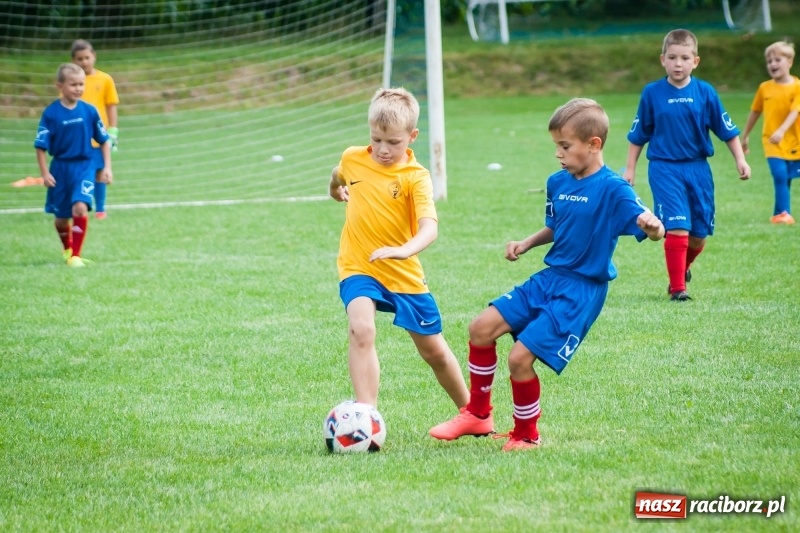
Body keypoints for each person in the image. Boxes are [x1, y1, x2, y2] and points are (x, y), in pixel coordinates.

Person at [429, 98, 666, 452]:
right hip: (549, 277)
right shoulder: (558, 182)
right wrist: (527, 243)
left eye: (564, 146)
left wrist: (654, 227)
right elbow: (556, 227)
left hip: (581, 290)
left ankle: (527, 434)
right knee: (480, 328)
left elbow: (649, 226)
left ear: (594, 144)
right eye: (556, 145)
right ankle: (478, 415)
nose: (558, 153)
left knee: (519, 359)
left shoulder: (614, 188)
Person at [328, 87, 469, 412]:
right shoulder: (353, 158)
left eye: (393, 142)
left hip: (403, 272)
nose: (383, 149)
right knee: (361, 328)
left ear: (412, 136)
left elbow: (429, 227)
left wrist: (406, 250)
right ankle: (366, 416)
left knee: (433, 352)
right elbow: (338, 174)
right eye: (376, 139)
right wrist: (335, 190)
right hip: (359, 266)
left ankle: (472, 413)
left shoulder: (415, 177)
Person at [622, 29, 751, 302]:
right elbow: (638, 135)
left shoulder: (705, 93)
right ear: (662, 60)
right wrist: (630, 168)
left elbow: (726, 130)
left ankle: (684, 268)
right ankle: (678, 288)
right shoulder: (652, 93)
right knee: (678, 226)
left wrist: (740, 159)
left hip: (698, 169)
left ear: (696, 61)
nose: (678, 63)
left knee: (699, 236)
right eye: (672, 57)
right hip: (664, 168)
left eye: (684, 57)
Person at [35, 63, 113, 268]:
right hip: (60, 168)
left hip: (85, 166)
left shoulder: (89, 111)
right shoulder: (51, 114)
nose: (78, 88)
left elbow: (104, 140)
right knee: (61, 218)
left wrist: (106, 167)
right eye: (73, 84)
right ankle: (67, 248)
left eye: (81, 84)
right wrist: (44, 173)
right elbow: (40, 146)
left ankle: (76, 255)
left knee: (80, 207)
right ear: (59, 85)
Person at [741, 41, 800, 225]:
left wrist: (782, 130)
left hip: (794, 142)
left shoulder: (797, 86)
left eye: (777, 60)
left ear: (789, 61)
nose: (772, 64)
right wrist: (745, 135)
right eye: (769, 61)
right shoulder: (764, 88)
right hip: (772, 141)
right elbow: (755, 111)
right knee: (780, 175)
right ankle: (783, 214)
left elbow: (795, 111)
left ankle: (778, 213)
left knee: (788, 177)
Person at [71, 39, 120, 219]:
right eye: (79, 59)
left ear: (94, 56)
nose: (84, 62)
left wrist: (113, 130)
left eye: (87, 57)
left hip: (99, 136)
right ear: (73, 61)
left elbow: (111, 106)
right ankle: (80, 205)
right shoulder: (71, 82)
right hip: (77, 137)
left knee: (100, 172)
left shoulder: (105, 79)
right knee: (78, 173)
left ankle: (100, 209)